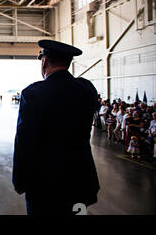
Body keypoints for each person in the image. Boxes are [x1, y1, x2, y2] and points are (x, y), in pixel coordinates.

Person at [12, 40, 100, 215]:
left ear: (44, 61)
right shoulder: (87, 90)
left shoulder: (33, 94)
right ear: (68, 63)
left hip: (45, 184)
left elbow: (25, 141)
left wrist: (20, 180)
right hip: (80, 180)